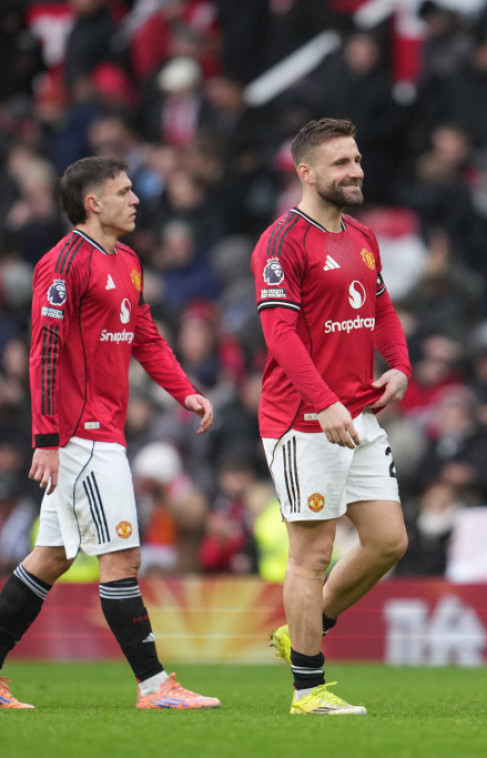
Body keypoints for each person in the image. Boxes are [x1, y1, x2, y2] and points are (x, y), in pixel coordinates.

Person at [0, 156, 219, 710]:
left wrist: (185, 391)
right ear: (93, 203)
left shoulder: (127, 261)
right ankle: (155, 687)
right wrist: (47, 439)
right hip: (81, 435)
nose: (136, 199)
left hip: (103, 431)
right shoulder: (62, 263)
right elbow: (44, 353)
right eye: (124, 192)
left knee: (50, 558)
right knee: (121, 558)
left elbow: (145, 336)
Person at [254, 118, 413, 716]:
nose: (356, 171)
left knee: (388, 542)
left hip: (360, 413)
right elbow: (280, 335)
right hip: (304, 419)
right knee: (311, 554)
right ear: (306, 172)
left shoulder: (362, 235)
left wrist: (400, 366)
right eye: (342, 163)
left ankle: (303, 629)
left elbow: (382, 309)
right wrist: (323, 402)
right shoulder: (282, 242)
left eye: (357, 159)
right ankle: (307, 691)